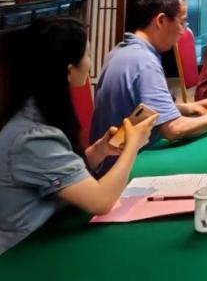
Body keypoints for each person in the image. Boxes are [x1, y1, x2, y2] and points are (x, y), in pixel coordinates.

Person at [0, 17, 157, 254]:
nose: (90, 63)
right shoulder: (32, 138)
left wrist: (101, 150)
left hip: (46, 237)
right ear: (69, 70)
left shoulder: (36, 113)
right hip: (21, 253)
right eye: (88, 55)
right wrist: (133, 145)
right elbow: (101, 201)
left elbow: (61, 171)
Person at [90, 0, 207, 157]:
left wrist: (188, 108)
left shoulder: (121, 50)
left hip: (111, 159)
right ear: (161, 20)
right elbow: (173, 129)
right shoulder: (145, 62)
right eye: (182, 22)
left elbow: (141, 109)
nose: (183, 31)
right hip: (129, 163)